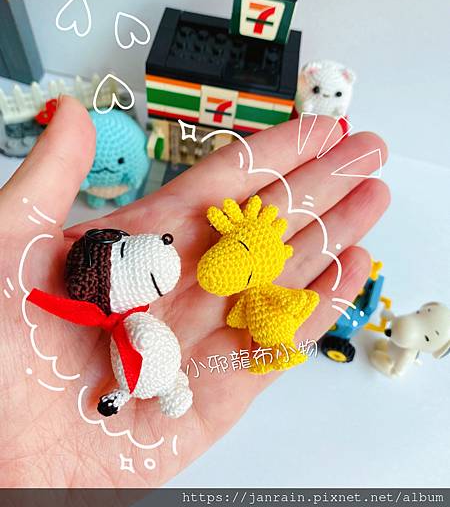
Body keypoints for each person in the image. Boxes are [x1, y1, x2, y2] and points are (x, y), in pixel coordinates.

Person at [0, 96, 389, 487]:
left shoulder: (173, 289)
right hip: (142, 367)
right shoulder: (117, 311)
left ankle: (161, 386)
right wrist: (25, 296)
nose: (163, 241)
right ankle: (132, 392)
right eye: (126, 251)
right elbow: (81, 313)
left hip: (178, 352)